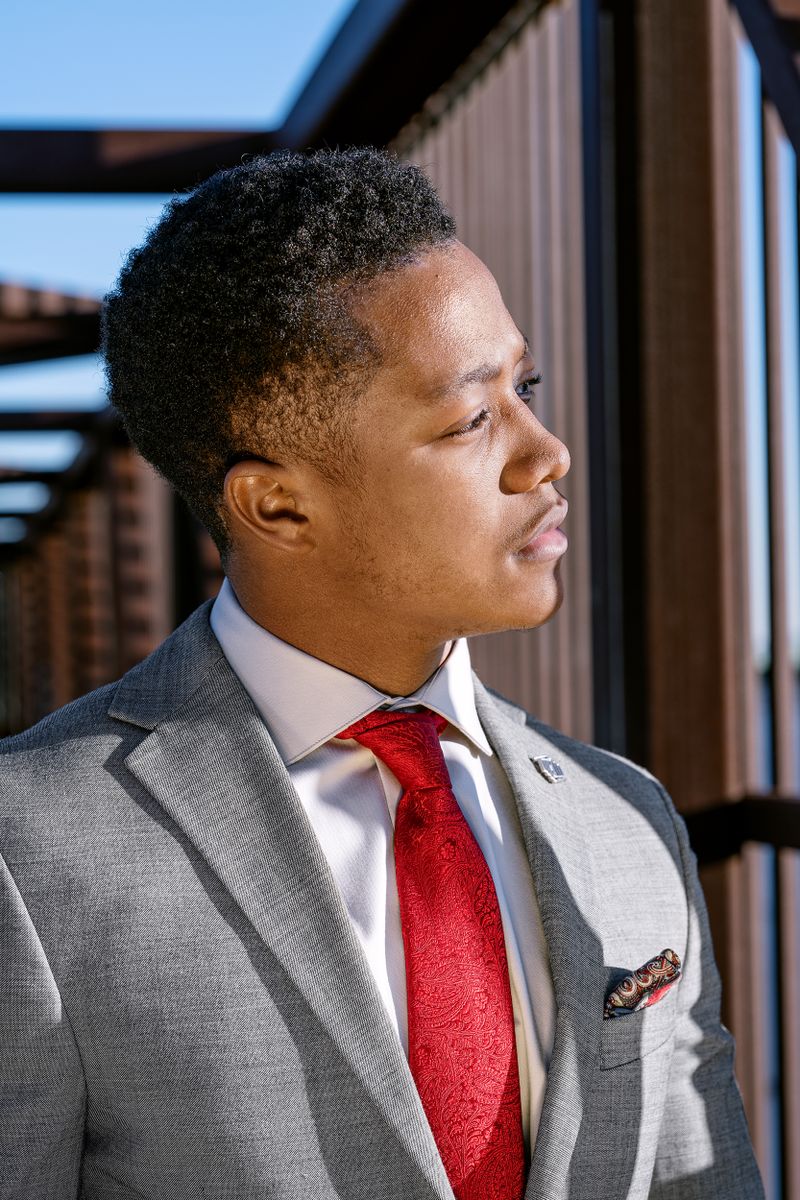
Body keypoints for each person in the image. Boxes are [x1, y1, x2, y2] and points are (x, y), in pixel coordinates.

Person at [0, 147, 763, 1200]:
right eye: (469, 419)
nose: (546, 453)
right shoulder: (29, 849)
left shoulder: (625, 819)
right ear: (276, 506)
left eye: (524, 385)